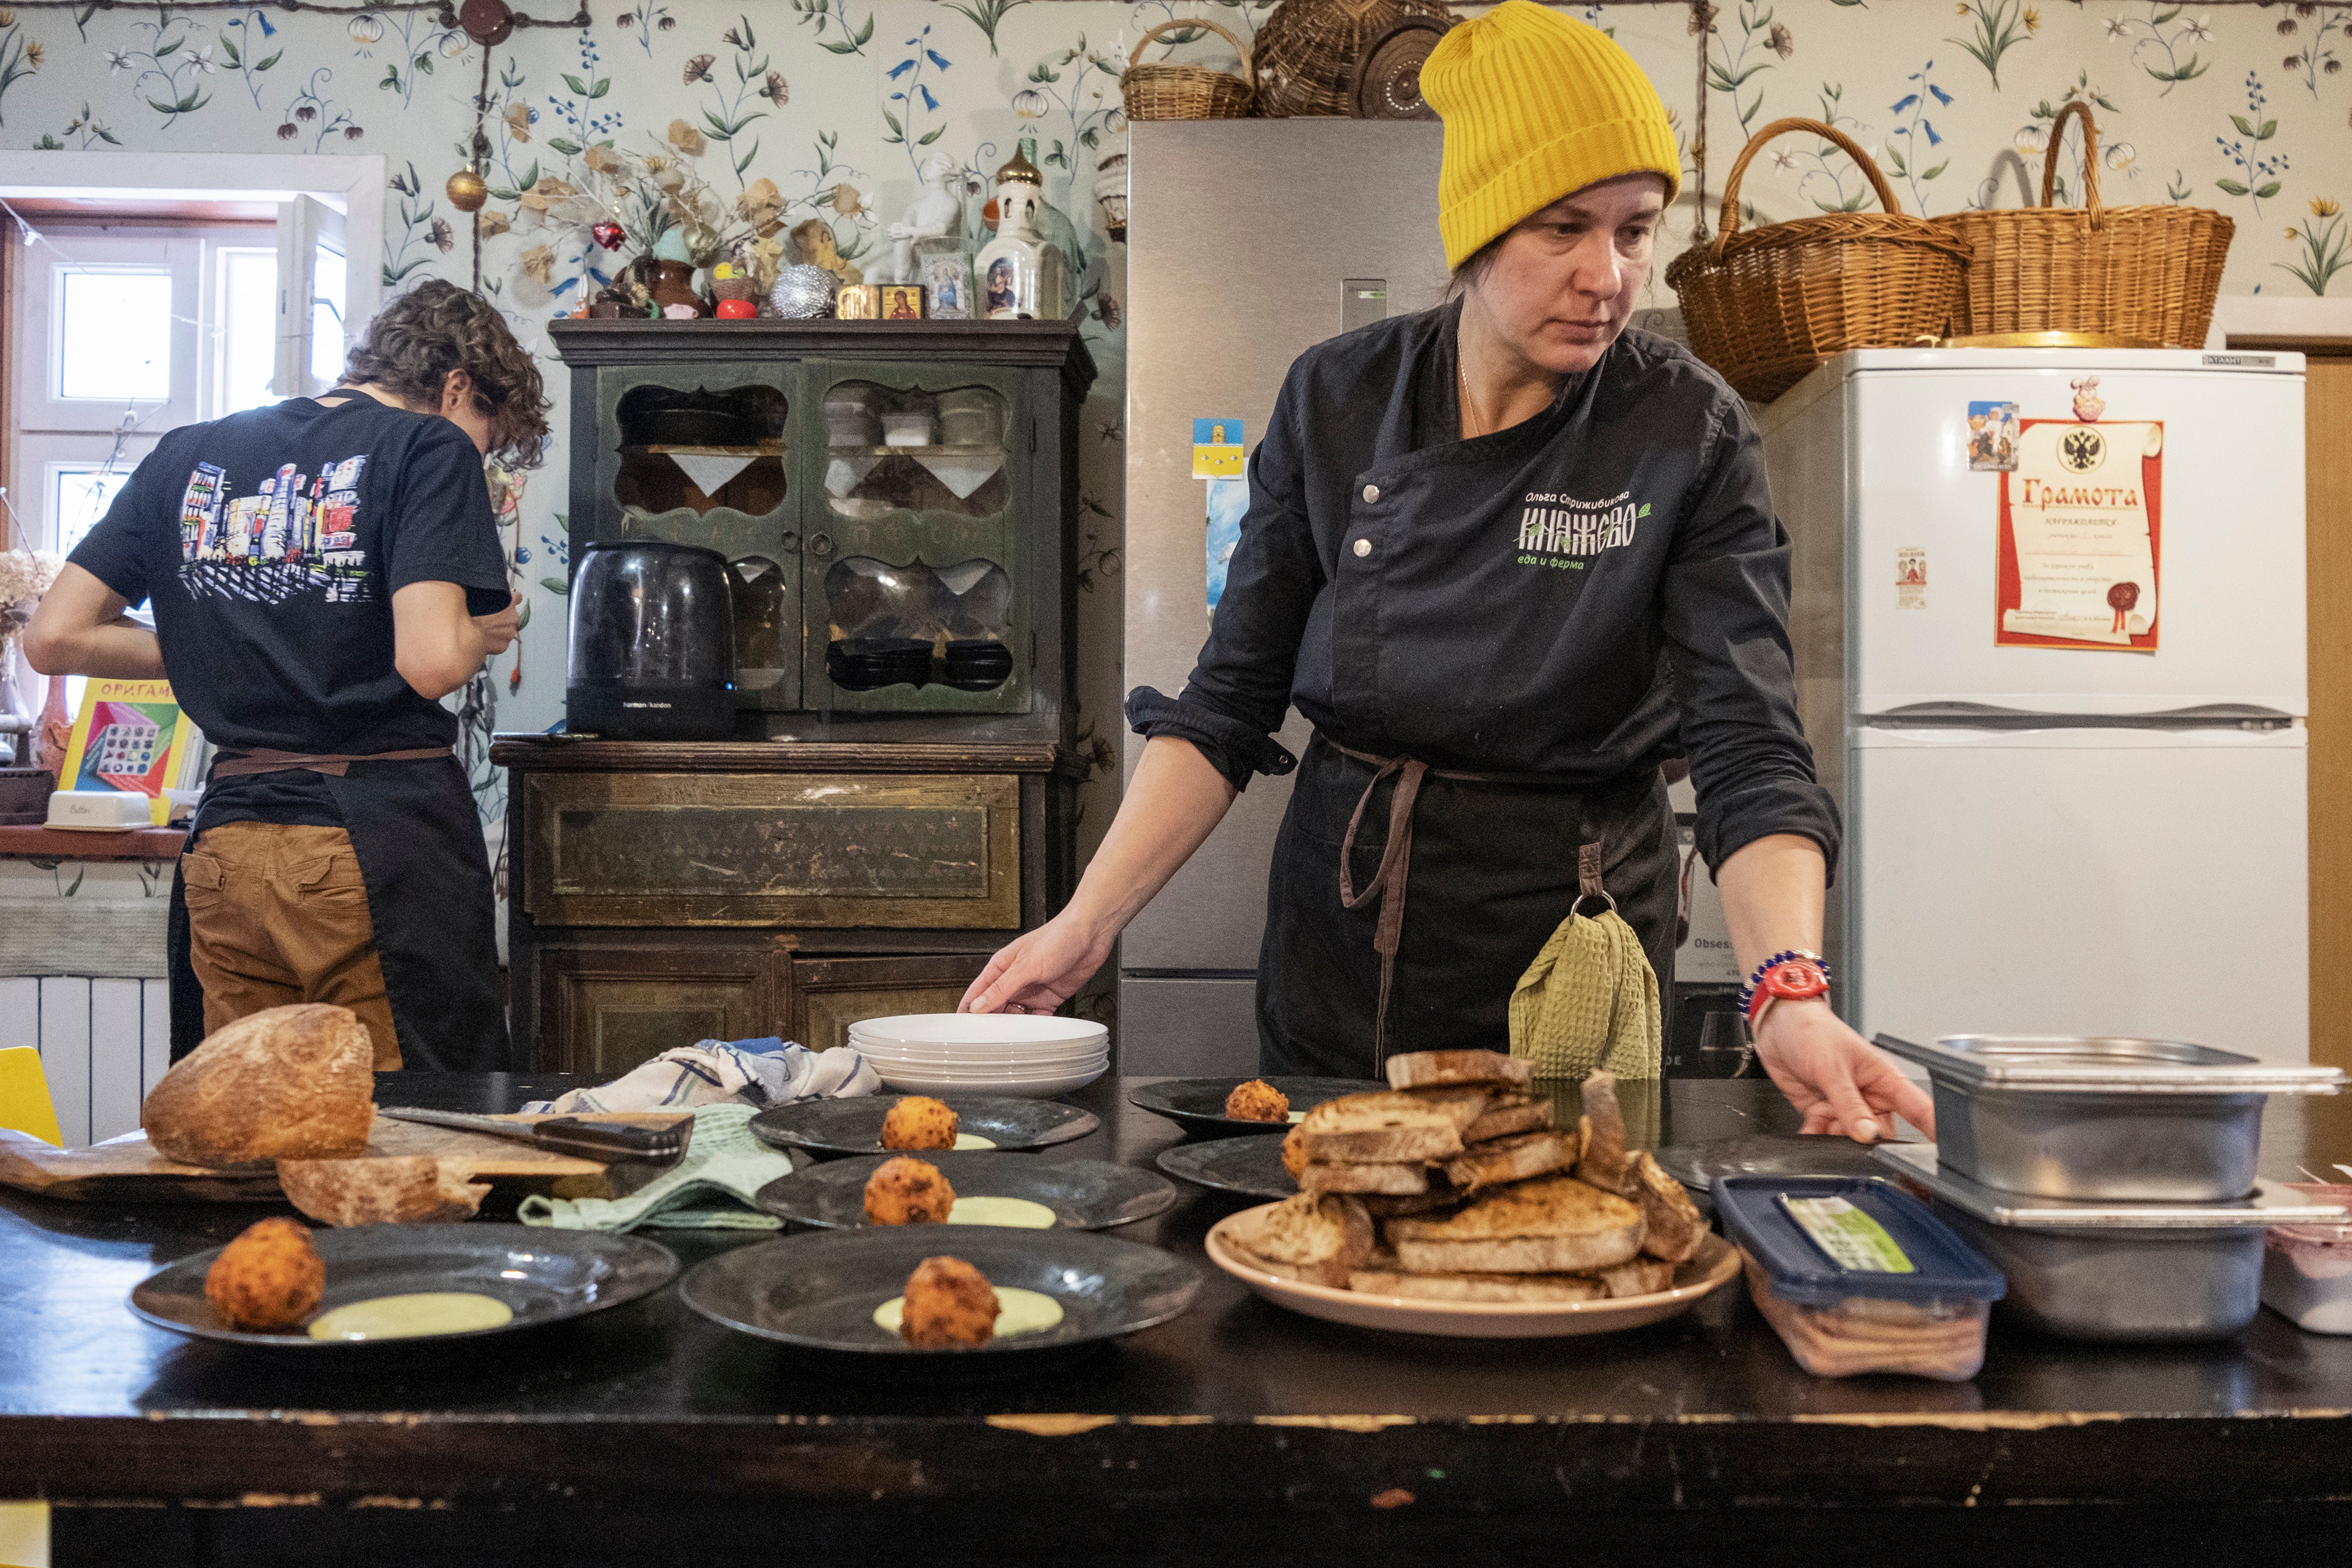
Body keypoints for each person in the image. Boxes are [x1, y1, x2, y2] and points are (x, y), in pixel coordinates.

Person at [962, 2, 1931, 1143]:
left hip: (1565, 951)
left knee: (1557, 1253)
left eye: (1633, 230)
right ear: (1473, 230)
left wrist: (1787, 988)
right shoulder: (1335, 400)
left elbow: (1748, 746)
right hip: (1340, 948)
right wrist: (1086, 924)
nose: (1606, 276)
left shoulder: (1686, 434)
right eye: (1561, 228)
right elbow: (1224, 706)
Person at [25, 279, 550, 1071]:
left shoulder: (189, 450)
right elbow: (434, 661)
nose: (481, 457)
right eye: (487, 432)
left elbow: (55, 635)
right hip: (374, 839)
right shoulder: (427, 446)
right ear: (455, 388)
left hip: (228, 845)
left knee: (250, 1120)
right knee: (409, 1126)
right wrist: (480, 632)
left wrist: (232, 638)